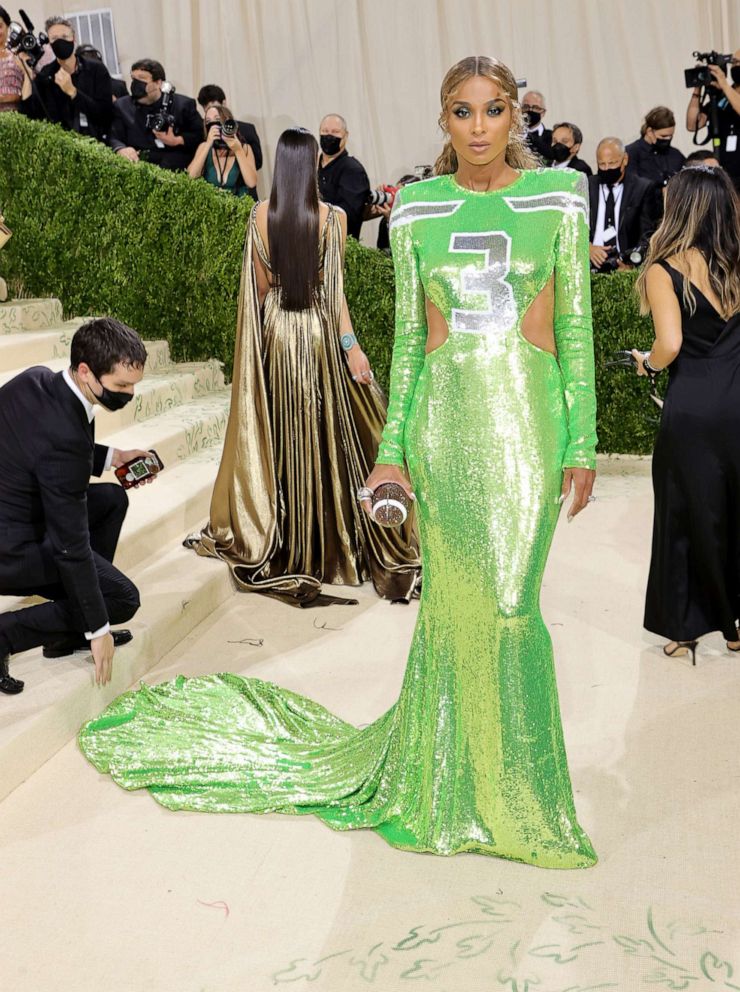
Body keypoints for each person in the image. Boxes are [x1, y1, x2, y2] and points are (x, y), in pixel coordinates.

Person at [79, 57, 597, 871]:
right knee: (459, 611)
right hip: (444, 435)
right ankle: (452, 779)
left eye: (493, 110)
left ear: (514, 119)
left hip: (529, 433)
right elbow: (415, 349)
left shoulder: (561, 199)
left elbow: (573, 332)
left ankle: (521, 793)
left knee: (509, 607)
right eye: (460, 112)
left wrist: (582, 442)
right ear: (444, 122)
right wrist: (392, 453)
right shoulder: (418, 211)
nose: (478, 126)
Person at [186, 127, 419, 604]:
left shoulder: (259, 216)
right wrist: (352, 348)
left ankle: (285, 535)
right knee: (329, 430)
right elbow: (335, 298)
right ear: (312, 165)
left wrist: (269, 334)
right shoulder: (331, 218)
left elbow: (260, 288)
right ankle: (336, 543)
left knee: (282, 430)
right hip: (315, 331)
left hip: (274, 332)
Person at [0, 319, 154, 695]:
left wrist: (114, 457)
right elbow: (71, 547)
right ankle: (5, 635)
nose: (129, 394)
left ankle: (62, 635)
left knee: (112, 499)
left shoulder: (37, 380)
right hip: (11, 550)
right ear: (86, 371)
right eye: (121, 386)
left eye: (134, 384)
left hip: (14, 516)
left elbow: (40, 446)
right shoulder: (65, 439)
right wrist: (98, 627)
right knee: (121, 599)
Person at [630, 166, 740, 665]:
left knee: (684, 515)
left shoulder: (664, 269)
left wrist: (646, 363)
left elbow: (670, 344)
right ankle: (734, 628)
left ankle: (683, 628)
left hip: (694, 409)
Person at [18, 16, 112, 141]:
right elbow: (28, 115)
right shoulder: (45, 75)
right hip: (61, 147)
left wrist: (73, 92)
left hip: (96, 144)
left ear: (74, 38)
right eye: (54, 39)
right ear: (49, 43)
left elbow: (106, 115)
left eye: (64, 37)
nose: (60, 42)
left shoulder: (96, 70)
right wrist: (27, 73)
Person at [108, 59, 202, 171]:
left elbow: (199, 135)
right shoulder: (122, 106)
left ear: (158, 83)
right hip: (138, 165)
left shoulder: (183, 105)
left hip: (173, 166)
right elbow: (113, 136)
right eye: (133, 78)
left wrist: (177, 140)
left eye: (142, 79)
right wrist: (121, 149)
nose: (136, 83)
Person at [588, 137, 655, 272]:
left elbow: (647, 234)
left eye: (612, 163)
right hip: (590, 263)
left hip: (624, 264)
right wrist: (587, 247)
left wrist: (632, 262)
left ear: (625, 160)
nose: (607, 169)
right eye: (601, 164)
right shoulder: (587, 186)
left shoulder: (642, 188)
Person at [686, 50, 740, 191]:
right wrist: (697, 88)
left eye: (739, 63)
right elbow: (693, 124)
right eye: (733, 63)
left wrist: (724, 85)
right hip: (725, 174)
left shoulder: (727, 91)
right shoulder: (722, 97)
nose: (735, 67)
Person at [317, 113, 371, 239]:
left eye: (335, 132)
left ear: (345, 136)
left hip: (340, 247)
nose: (329, 135)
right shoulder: (311, 166)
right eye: (325, 131)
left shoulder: (353, 170)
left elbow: (347, 216)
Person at [187, 103, 258, 198]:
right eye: (208, 121)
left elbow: (252, 183)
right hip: (212, 207)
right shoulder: (204, 146)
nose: (213, 125)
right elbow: (190, 176)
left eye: (217, 119)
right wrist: (208, 145)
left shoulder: (244, 148)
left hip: (239, 206)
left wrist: (238, 150)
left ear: (228, 122)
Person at [196, 84, 262, 173]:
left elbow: (258, 162)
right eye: (208, 110)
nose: (213, 112)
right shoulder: (203, 132)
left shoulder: (247, 129)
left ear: (224, 103)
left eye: (217, 108)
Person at [626, 107, 686, 186]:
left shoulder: (676, 155)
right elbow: (631, 185)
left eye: (670, 136)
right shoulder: (632, 153)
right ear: (649, 132)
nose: (667, 139)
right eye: (663, 136)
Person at [0, 6, 24, 114]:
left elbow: (29, 86)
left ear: (7, 26)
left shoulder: (18, 54)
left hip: (17, 118)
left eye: (0, 26)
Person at [521, 89, 552, 161]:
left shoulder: (552, 137)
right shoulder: (512, 135)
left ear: (543, 112)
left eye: (535, 108)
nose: (530, 110)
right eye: (526, 106)